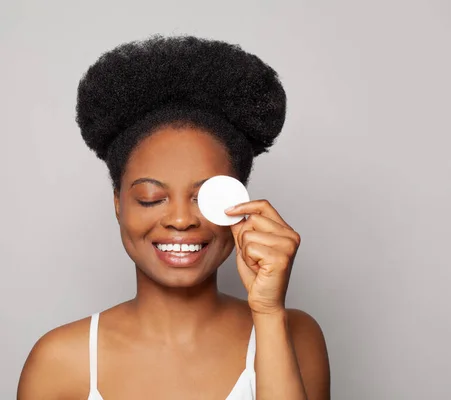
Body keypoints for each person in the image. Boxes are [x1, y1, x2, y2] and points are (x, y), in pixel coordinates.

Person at [17, 35, 330, 400]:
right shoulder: (59, 362)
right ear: (119, 202)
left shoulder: (295, 334)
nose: (181, 220)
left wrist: (268, 313)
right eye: (151, 198)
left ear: (240, 202)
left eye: (204, 197)